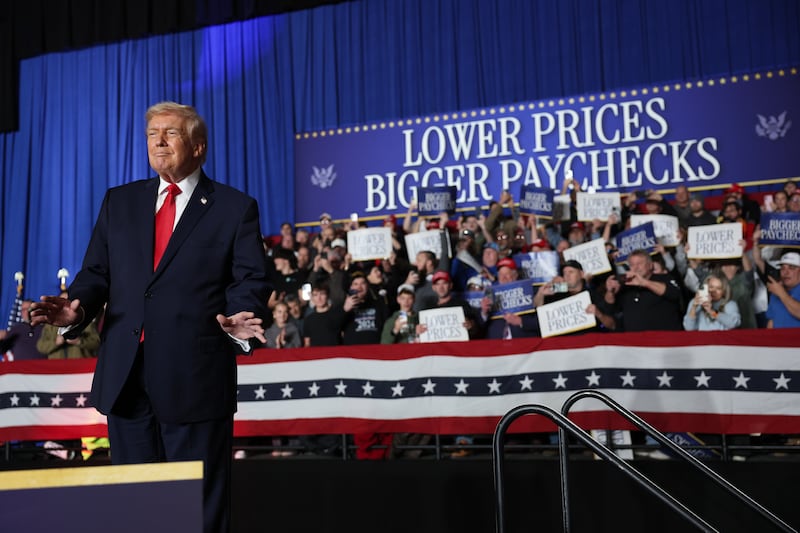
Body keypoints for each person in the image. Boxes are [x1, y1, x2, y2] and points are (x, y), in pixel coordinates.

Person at [29, 102, 270, 533]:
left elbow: (250, 278)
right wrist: (77, 307)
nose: (158, 141)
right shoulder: (119, 202)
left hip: (194, 380)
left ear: (198, 147)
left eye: (171, 133)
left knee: (197, 510)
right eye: (152, 133)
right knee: (136, 507)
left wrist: (240, 316)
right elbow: (97, 273)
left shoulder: (234, 208)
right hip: (126, 379)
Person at [601, 249, 684, 332]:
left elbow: (675, 293)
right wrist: (610, 292)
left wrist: (644, 283)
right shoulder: (626, 286)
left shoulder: (664, 278)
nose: (636, 268)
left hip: (666, 339)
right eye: (632, 265)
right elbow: (609, 309)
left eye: (639, 263)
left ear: (650, 265)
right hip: (637, 342)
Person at [764, 252, 800, 328]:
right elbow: (771, 322)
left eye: (792, 268)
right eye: (782, 268)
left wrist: (781, 293)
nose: (785, 272)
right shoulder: (776, 291)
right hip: (778, 339)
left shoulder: (779, 291)